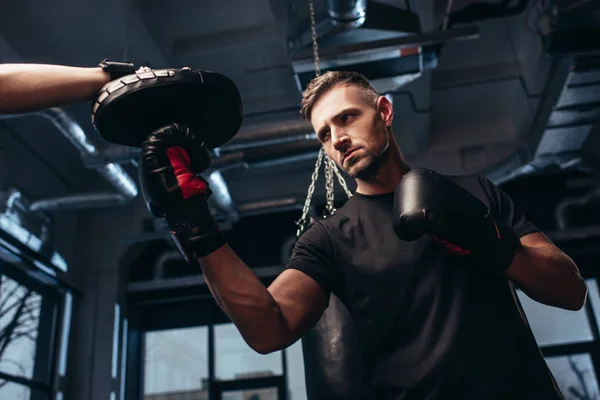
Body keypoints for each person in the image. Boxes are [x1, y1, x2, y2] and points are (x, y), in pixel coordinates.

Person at [0, 63, 587, 398]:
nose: (338, 140)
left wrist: (486, 240)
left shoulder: (475, 193)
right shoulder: (329, 237)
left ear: (383, 111)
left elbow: (568, 289)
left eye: (347, 119)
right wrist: (192, 223)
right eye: (324, 135)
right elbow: (268, 327)